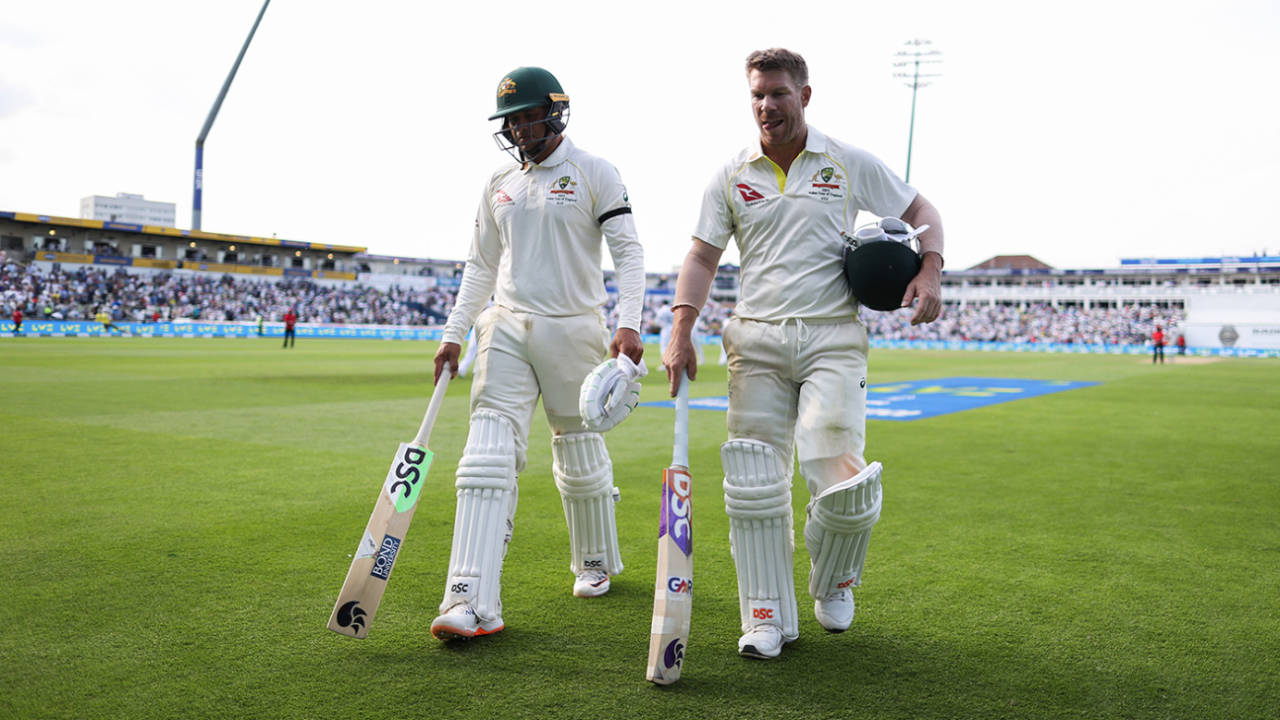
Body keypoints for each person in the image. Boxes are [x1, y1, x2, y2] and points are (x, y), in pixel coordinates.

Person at [662, 48, 944, 660]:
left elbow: (921, 212)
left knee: (836, 470)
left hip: (832, 338)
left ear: (805, 96)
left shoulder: (844, 162)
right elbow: (702, 257)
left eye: (779, 94)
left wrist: (930, 271)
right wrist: (681, 329)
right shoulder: (730, 174)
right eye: (758, 95)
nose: (767, 106)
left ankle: (835, 580)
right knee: (755, 484)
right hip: (755, 340)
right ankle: (765, 615)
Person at [428, 66, 645, 642]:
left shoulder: (594, 171)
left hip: (574, 325)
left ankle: (594, 559)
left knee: (577, 452)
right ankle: (469, 598)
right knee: (486, 455)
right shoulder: (499, 181)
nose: (520, 127)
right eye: (512, 119)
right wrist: (454, 332)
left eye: (528, 115)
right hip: (505, 326)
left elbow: (628, 252)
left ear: (555, 111)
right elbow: (479, 266)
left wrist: (628, 325)